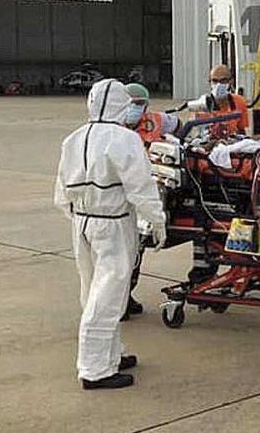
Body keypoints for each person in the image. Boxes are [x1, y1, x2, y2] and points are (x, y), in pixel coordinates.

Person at [53, 79, 167, 390]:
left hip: (82, 222)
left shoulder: (74, 139)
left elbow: (61, 190)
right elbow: (141, 188)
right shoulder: (125, 140)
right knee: (108, 296)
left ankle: (110, 354)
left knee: (92, 289)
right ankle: (94, 369)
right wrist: (157, 223)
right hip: (113, 223)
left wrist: (77, 215)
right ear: (120, 104)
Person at [119, 82, 179, 320]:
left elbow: (179, 125)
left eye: (140, 104)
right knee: (125, 252)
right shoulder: (113, 126)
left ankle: (125, 296)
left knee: (137, 249)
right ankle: (119, 301)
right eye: (132, 104)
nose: (136, 108)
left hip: (148, 188)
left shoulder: (156, 119)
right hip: (123, 194)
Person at [198, 63, 250, 137]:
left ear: (231, 81)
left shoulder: (240, 102)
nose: (219, 85)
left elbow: (241, 130)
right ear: (210, 82)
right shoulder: (201, 105)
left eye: (223, 80)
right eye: (215, 81)